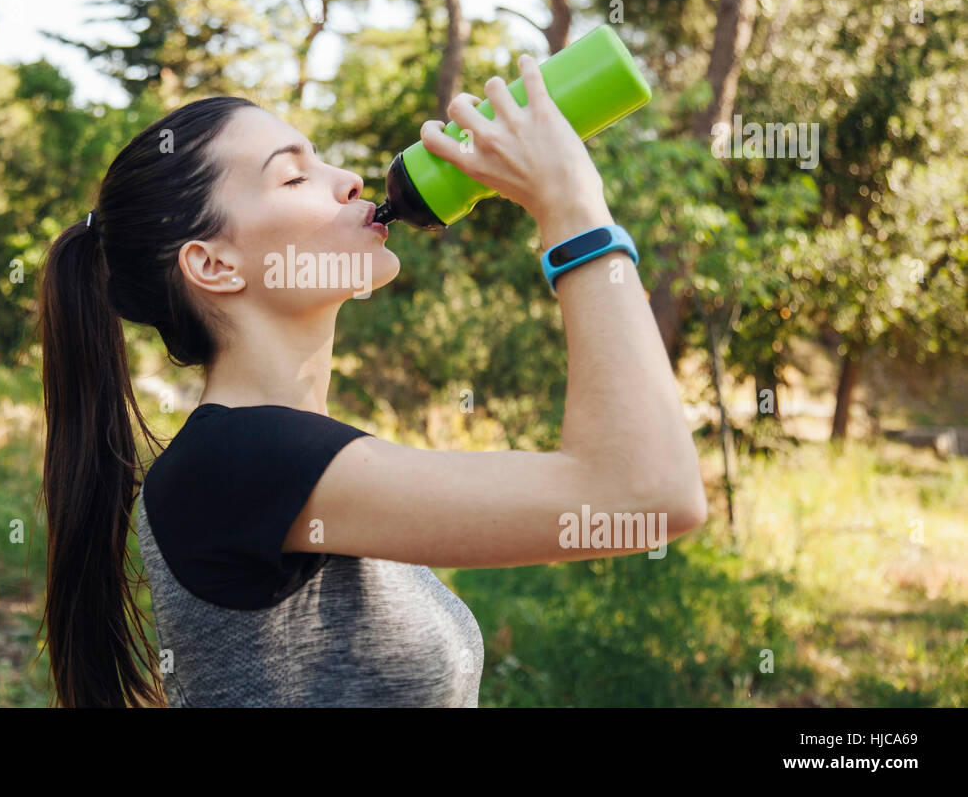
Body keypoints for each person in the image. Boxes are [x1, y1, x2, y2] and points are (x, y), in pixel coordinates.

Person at [35, 55, 707, 707]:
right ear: (212, 265)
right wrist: (572, 209)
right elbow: (643, 494)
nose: (351, 179)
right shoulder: (235, 461)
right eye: (294, 179)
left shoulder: (299, 460)